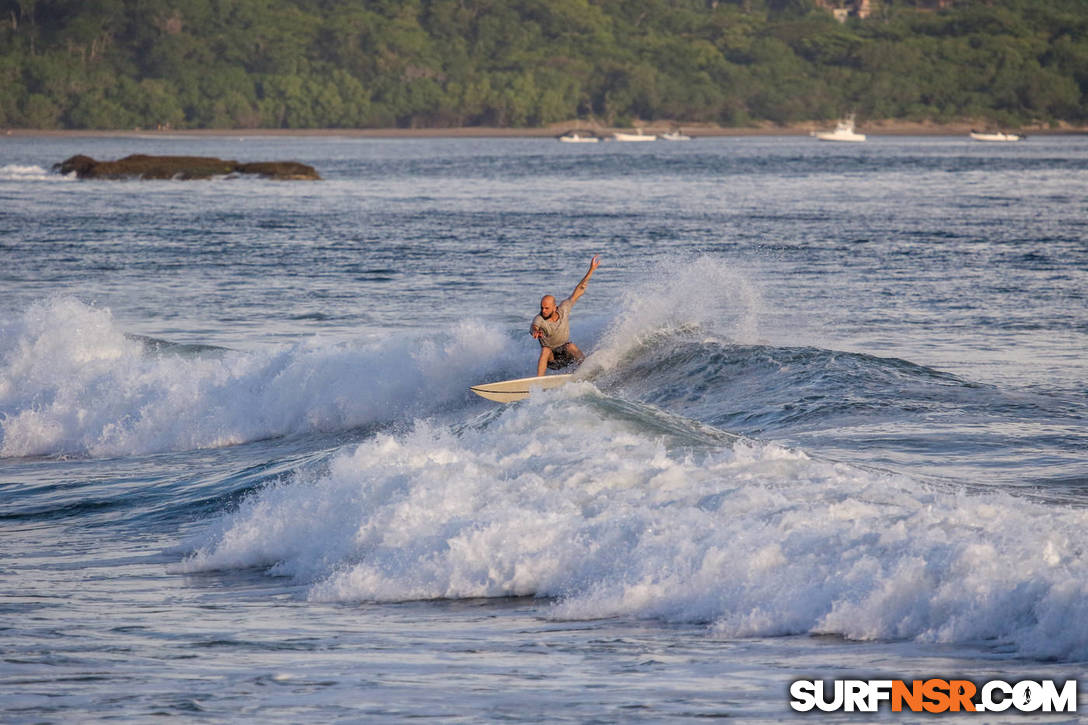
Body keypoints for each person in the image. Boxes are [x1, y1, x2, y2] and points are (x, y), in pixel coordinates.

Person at [530, 255, 600, 376]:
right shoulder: (539, 319)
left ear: (554, 307)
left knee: (570, 346)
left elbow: (578, 291)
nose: (543, 310)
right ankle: (539, 381)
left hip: (566, 357)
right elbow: (534, 326)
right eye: (542, 307)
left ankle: (586, 372)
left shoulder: (563, 309)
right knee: (545, 349)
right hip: (551, 359)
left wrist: (591, 270)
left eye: (546, 308)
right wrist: (535, 331)